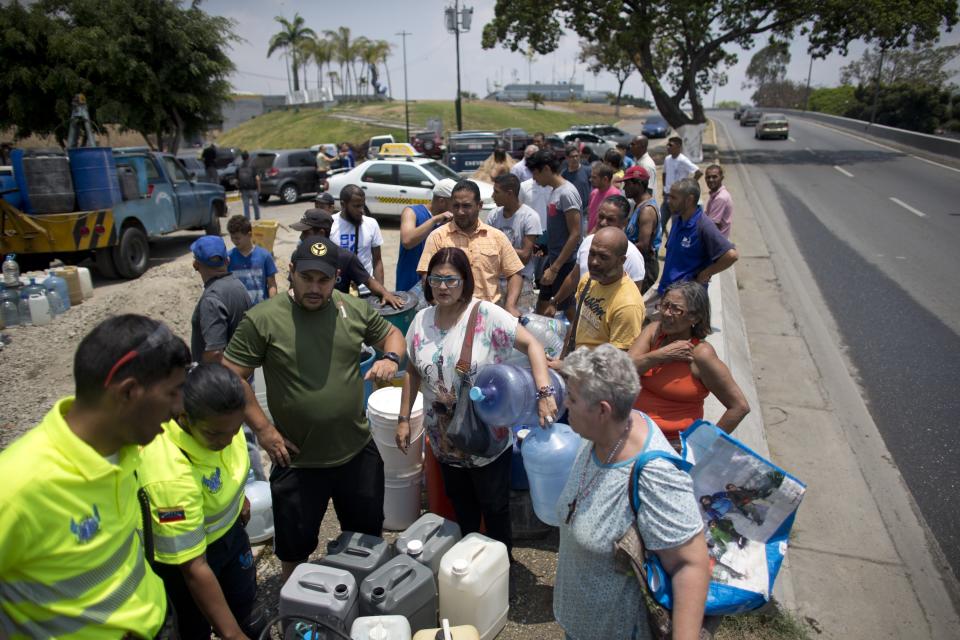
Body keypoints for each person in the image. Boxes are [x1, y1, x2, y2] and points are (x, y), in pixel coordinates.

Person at [223, 236, 406, 585]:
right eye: (306, 277)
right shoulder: (263, 318)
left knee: (366, 538)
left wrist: (390, 358)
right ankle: (295, 603)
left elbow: (393, 335)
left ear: (336, 277)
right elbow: (232, 376)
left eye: (323, 280)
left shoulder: (351, 309)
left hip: (355, 450)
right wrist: (263, 429)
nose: (314, 287)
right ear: (291, 272)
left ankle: (361, 599)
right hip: (297, 459)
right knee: (294, 548)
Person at [0, 315, 190, 638]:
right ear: (128, 392)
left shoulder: (129, 448)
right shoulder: (16, 487)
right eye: (173, 393)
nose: (180, 408)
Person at [396, 247, 558, 552]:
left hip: (487, 440)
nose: (443, 287)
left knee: (495, 508)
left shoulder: (485, 315)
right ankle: (471, 562)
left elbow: (534, 346)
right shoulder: (420, 320)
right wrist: (404, 419)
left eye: (451, 280)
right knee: (462, 507)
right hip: (444, 439)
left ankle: (500, 566)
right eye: (436, 279)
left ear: (465, 281)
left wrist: (544, 393)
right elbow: (412, 371)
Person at [553, 344, 710, 640]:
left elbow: (690, 564)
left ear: (602, 410)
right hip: (581, 620)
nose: (565, 404)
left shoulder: (653, 475)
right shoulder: (604, 431)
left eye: (572, 398)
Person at [138, 363, 264, 640]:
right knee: (194, 628)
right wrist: (232, 635)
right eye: (215, 434)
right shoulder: (170, 474)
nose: (227, 441)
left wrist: (238, 496)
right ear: (184, 417)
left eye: (235, 430)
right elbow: (193, 568)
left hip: (230, 536)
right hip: (189, 562)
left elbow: (226, 466)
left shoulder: (222, 424)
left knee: (245, 606)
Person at [629, 280, 750, 448]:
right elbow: (625, 368)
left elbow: (739, 407)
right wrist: (660, 355)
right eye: (664, 305)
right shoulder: (654, 332)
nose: (666, 313)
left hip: (670, 446)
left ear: (695, 317)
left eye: (676, 309)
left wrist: (702, 446)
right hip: (631, 431)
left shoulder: (701, 355)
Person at [417, 180, 525, 314]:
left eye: (466, 206)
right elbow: (426, 277)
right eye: (456, 206)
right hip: (451, 315)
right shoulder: (437, 237)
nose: (460, 212)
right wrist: (441, 309)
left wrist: (510, 305)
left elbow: (515, 273)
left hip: (489, 314)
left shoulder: (497, 237)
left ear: (479, 205)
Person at [545, 195, 645, 318]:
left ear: (624, 222)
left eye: (610, 219)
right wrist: (555, 301)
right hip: (583, 320)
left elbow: (634, 298)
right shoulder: (588, 242)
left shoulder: (632, 256)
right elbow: (574, 276)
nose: (603, 222)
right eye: (601, 217)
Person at [291, 208, 402, 308]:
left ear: (321, 233)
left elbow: (368, 281)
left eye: (306, 232)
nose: (301, 236)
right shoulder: (298, 255)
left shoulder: (344, 257)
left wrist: (385, 294)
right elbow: (291, 288)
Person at [559, 227, 645, 354]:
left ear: (621, 261)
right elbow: (576, 325)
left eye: (603, 257)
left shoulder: (628, 306)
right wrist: (563, 360)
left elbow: (615, 363)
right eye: (592, 253)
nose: (594, 262)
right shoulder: (589, 279)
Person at [658, 178, 738, 298]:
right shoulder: (678, 220)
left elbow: (731, 256)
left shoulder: (703, 225)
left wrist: (705, 273)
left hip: (685, 301)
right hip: (666, 292)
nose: (669, 201)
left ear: (689, 200)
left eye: (674, 198)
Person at [526, 149, 582, 316]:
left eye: (535, 173)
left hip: (565, 264)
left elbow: (575, 234)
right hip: (553, 259)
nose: (534, 179)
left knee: (567, 310)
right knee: (543, 307)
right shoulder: (554, 191)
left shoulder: (567, 193)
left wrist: (555, 268)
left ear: (546, 169)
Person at [190, 236, 252, 364]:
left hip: (220, 380)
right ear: (227, 260)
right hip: (243, 373)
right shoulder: (239, 286)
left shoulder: (211, 299)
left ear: (195, 265)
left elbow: (215, 354)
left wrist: (198, 373)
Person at [486, 173, 542, 310]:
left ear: (509, 193)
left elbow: (524, 256)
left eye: (497, 192)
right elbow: (487, 249)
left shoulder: (530, 217)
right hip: (495, 282)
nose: (493, 196)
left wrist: (498, 246)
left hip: (521, 282)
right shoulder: (494, 215)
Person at [397, 178, 455, 291]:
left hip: (438, 286)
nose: (457, 208)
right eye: (454, 203)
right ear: (442, 201)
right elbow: (407, 241)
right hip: (410, 284)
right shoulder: (412, 212)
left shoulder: (451, 220)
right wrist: (434, 221)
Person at [331, 184, 386, 286]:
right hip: (338, 290)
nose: (361, 210)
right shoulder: (330, 224)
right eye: (356, 206)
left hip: (367, 289)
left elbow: (377, 260)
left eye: (362, 205)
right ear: (343, 204)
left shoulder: (371, 223)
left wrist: (380, 290)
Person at [621, 165, 662, 294]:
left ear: (638, 184)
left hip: (644, 266)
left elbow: (643, 245)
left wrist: (617, 250)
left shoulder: (647, 210)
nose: (624, 188)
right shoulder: (639, 205)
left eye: (627, 184)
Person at [227, 215, 278, 305]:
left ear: (249, 235)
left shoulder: (264, 256)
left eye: (238, 238)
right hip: (238, 312)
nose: (234, 241)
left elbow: (272, 284)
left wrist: (272, 306)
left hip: (261, 310)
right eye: (232, 238)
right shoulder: (228, 258)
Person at [661, 137, 702, 234]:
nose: (668, 147)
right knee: (661, 223)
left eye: (670, 145)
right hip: (667, 195)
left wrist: (688, 187)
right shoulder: (667, 159)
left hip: (678, 198)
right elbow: (664, 173)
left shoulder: (683, 160)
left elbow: (698, 172)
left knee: (676, 224)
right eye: (667, 144)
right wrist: (664, 187)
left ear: (678, 147)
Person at [560, 144, 592, 238]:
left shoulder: (588, 170)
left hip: (586, 212)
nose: (575, 158)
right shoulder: (564, 174)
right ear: (566, 158)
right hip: (571, 212)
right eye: (571, 156)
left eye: (576, 156)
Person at [586, 161, 622, 234]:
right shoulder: (593, 193)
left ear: (605, 179)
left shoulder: (615, 194)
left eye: (594, 177)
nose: (590, 180)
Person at [704, 164, 733, 238]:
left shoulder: (720, 198)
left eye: (714, 177)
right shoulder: (715, 194)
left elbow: (711, 226)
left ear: (721, 178)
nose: (711, 180)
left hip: (717, 244)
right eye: (708, 177)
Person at [236, 151, 261, 221]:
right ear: (248, 157)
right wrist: (259, 188)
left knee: (246, 206)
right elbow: (257, 178)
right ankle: (257, 217)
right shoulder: (253, 165)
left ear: (242, 158)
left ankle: (247, 218)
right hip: (253, 189)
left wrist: (239, 188)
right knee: (255, 204)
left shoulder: (239, 167)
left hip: (243, 190)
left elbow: (237, 180)